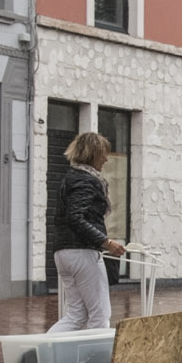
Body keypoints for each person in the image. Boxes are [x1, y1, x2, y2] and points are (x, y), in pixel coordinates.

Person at [48, 132, 126, 332]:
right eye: (103, 154)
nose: (106, 159)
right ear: (93, 154)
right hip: (82, 252)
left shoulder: (70, 178)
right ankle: (93, 362)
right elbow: (76, 218)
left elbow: (71, 217)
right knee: (100, 315)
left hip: (63, 252)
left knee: (75, 315)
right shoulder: (87, 180)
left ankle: (41, 354)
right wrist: (106, 242)